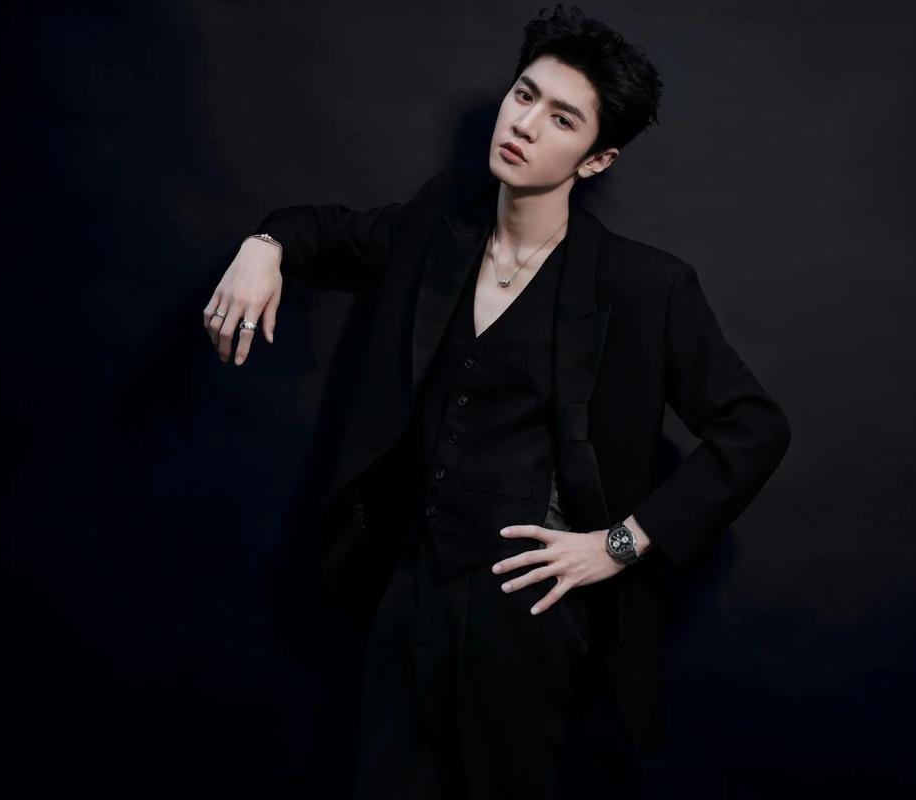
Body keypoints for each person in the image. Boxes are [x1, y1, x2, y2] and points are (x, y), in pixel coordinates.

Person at [203, 5, 791, 798]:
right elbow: (326, 232)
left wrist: (619, 543)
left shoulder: (642, 286)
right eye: (523, 95)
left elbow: (753, 429)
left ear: (596, 158)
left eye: (561, 118)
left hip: (529, 617)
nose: (524, 124)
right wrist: (263, 246)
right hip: (406, 590)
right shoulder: (435, 228)